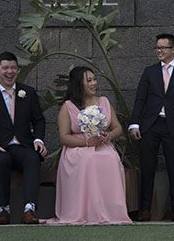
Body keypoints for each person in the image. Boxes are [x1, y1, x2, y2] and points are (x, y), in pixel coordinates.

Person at [46, 66, 129, 224]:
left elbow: (118, 128)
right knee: (89, 160)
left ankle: (111, 212)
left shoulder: (103, 101)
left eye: (94, 79)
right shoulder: (68, 106)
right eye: (89, 80)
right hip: (77, 148)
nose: (93, 83)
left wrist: (109, 135)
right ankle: (87, 212)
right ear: (78, 84)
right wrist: (86, 142)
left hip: (102, 144)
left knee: (111, 158)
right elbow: (64, 137)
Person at [0, 51, 47, 224]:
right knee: (0, 160)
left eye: (13, 67)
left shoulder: (28, 92)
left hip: (23, 146)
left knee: (32, 157)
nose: (9, 71)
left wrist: (38, 140)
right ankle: (3, 210)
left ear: (18, 70)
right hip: (0, 147)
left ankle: (29, 209)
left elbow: (39, 120)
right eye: (5, 67)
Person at [129, 33, 174, 221]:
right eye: (157, 47)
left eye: (163, 48)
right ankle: (144, 209)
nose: (159, 51)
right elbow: (140, 99)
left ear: (173, 49)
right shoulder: (149, 72)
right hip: (150, 125)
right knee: (147, 167)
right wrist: (135, 123)